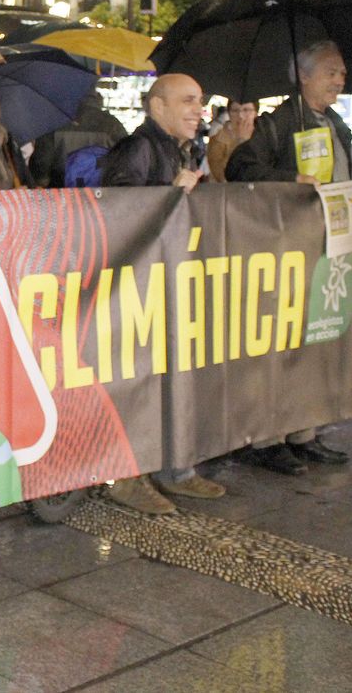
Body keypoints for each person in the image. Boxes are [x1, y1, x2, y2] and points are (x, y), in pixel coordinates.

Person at [98, 74, 226, 513]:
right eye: (188, 101)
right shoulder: (140, 148)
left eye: (201, 101)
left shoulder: (180, 149)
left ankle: (175, 469)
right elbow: (116, 210)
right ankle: (128, 477)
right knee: (138, 380)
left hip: (169, 278)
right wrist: (168, 195)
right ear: (158, 107)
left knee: (175, 374)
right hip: (139, 286)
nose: (198, 110)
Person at [225, 40, 352, 475]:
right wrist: (287, 179)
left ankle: (304, 432)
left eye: (341, 73)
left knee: (314, 344)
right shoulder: (278, 124)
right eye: (332, 72)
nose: (340, 80)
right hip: (284, 254)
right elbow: (240, 168)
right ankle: (268, 438)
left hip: (327, 250)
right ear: (304, 76)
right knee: (279, 346)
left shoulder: (337, 124)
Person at [28, 89, 127, 188]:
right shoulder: (113, 124)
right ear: (97, 96)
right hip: (103, 196)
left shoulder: (54, 123)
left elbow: (41, 169)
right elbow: (126, 162)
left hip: (62, 194)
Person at [206, 101, 256, 182]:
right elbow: (221, 176)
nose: (240, 116)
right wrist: (240, 143)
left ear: (255, 113)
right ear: (229, 114)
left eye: (246, 110)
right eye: (235, 110)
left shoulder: (264, 138)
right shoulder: (217, 141)